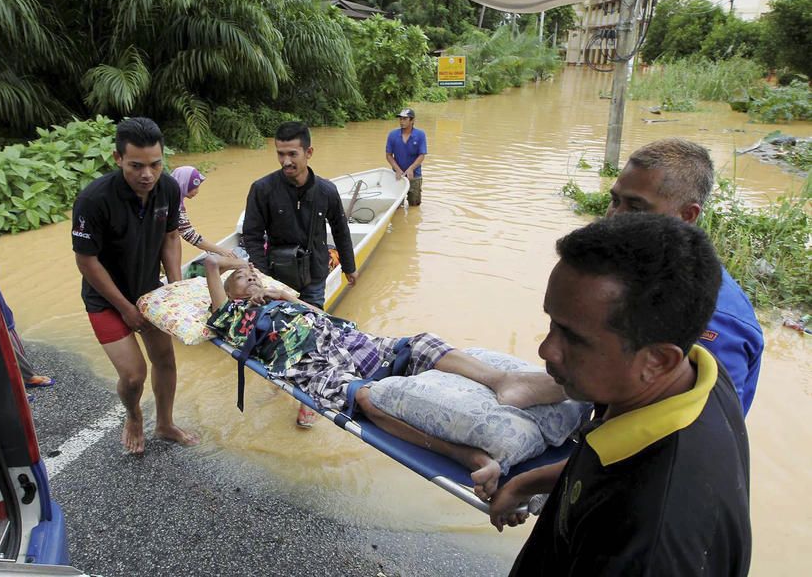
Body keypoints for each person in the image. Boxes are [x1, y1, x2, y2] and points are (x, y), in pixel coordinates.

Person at [490, 214, 751, 576]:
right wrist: (526, 482)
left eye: (573, 338)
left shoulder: (650, 543)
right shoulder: (698, 374)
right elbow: (605, 465)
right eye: (551, 322)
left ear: (658, 360)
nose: (546, 350)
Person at [203, 254, 567, 493]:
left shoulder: (279, 298)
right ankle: (463, 455)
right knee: (364, 399)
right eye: (243, 278)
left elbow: (320, 314)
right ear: (229, 292)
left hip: (351, 341)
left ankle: (505, 382)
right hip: (312, 364)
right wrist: (231, 264)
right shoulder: (234, 316)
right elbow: (209, 266)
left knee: (422, 343)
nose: (251, 278)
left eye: (254, 274)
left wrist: (279, 295)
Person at [605, 138, 763, 415]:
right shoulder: (637, 270)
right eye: (615, 200)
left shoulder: (715, 317)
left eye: (636, 207)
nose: (615, 216)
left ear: (687, 215)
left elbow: (710, 423)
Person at [72, 117, 197, 454]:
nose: (147, 174)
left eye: (156, 164)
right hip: (105, 299)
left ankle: (165, 423)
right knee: (133, 376)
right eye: (136, 165)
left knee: (165, 360)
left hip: (149, 291)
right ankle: (134, 415)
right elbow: (86, 261)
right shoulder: (94, 200)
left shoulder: (168, 189)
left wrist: (175, 290)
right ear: (117, 158)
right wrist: (125, 308)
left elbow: (171, 238)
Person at [242, 121, 358, 426]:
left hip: (315, 274)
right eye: (280, 154)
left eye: (292, 153)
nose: (285, 161)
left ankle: (306, 399)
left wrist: (349, 267)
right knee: (276, 333)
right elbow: (252, 237)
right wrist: (263, 279)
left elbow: (341, 231)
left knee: (313, 332)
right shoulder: (262, 189)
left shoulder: (327, 191)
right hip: (277, 274)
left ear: (308, 152)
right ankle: (280, 380)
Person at [0, 232, 55, 393]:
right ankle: (19, 386)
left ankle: (26, 378)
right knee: (8, 356)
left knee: (17, 351)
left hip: (5, 318)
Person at [170, 165, 237, 257]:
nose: (197, 191)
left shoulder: (170, 198)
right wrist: (220, 250)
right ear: (184, 184)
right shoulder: (174, 204)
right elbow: (189, 234)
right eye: (195, 187)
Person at [385, 108, 427, 206]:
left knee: (415, 206)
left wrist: (411, 169)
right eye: (400, 119)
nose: (401, 121)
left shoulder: (420, 135)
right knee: (397, 206)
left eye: (405, 119)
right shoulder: (392, 135)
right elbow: (388, 155)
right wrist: (397, 169)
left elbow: (422, 155)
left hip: (414, 176)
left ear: (412, 120)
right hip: (397, 175)